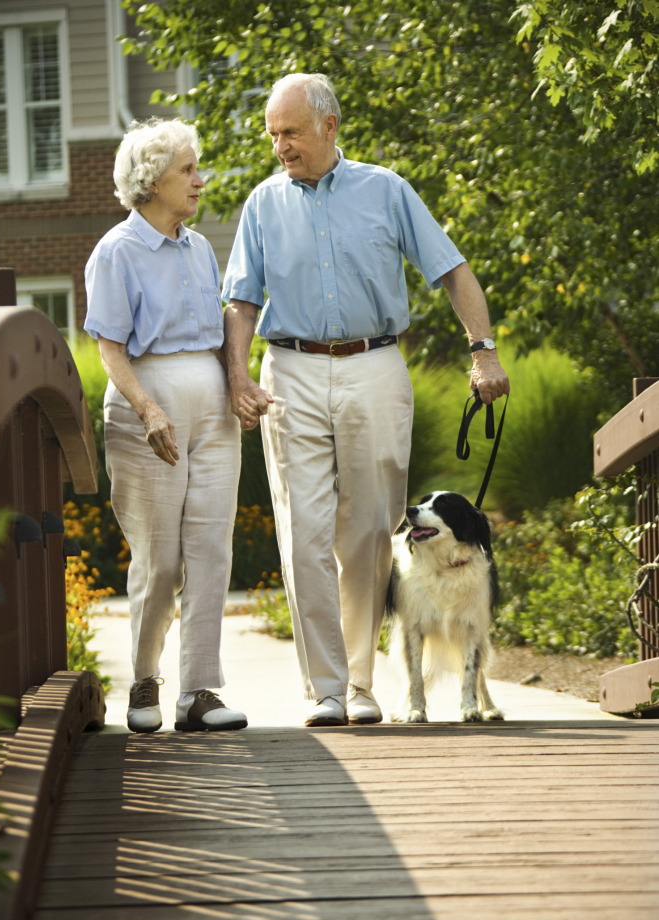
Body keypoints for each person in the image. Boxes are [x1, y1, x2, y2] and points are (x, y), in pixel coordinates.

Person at [222, 73, 509, 727]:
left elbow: (451, 269)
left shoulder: (385, 190)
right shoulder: (262, 205)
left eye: (289, 131)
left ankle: (358, 684)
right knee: (303, 535)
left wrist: (482, 350)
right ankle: (324, 687)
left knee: (370, 535)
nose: (280, 146)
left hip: (373, 365)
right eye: (272, 134)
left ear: (328, 125)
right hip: (288, 371)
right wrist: (238, 377)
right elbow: (239, 301)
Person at [84, 118, 247, 734]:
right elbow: (110, 349)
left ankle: (200, 691)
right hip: (146, 407)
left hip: (212, 408)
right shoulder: (117, 251)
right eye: (188, 170)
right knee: (159, 559)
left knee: (211, 550)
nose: (199, 181)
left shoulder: (199, 247)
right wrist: (148, 408)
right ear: (152, 181)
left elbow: (218, 334)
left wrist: (239, 383)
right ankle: (146, 680)